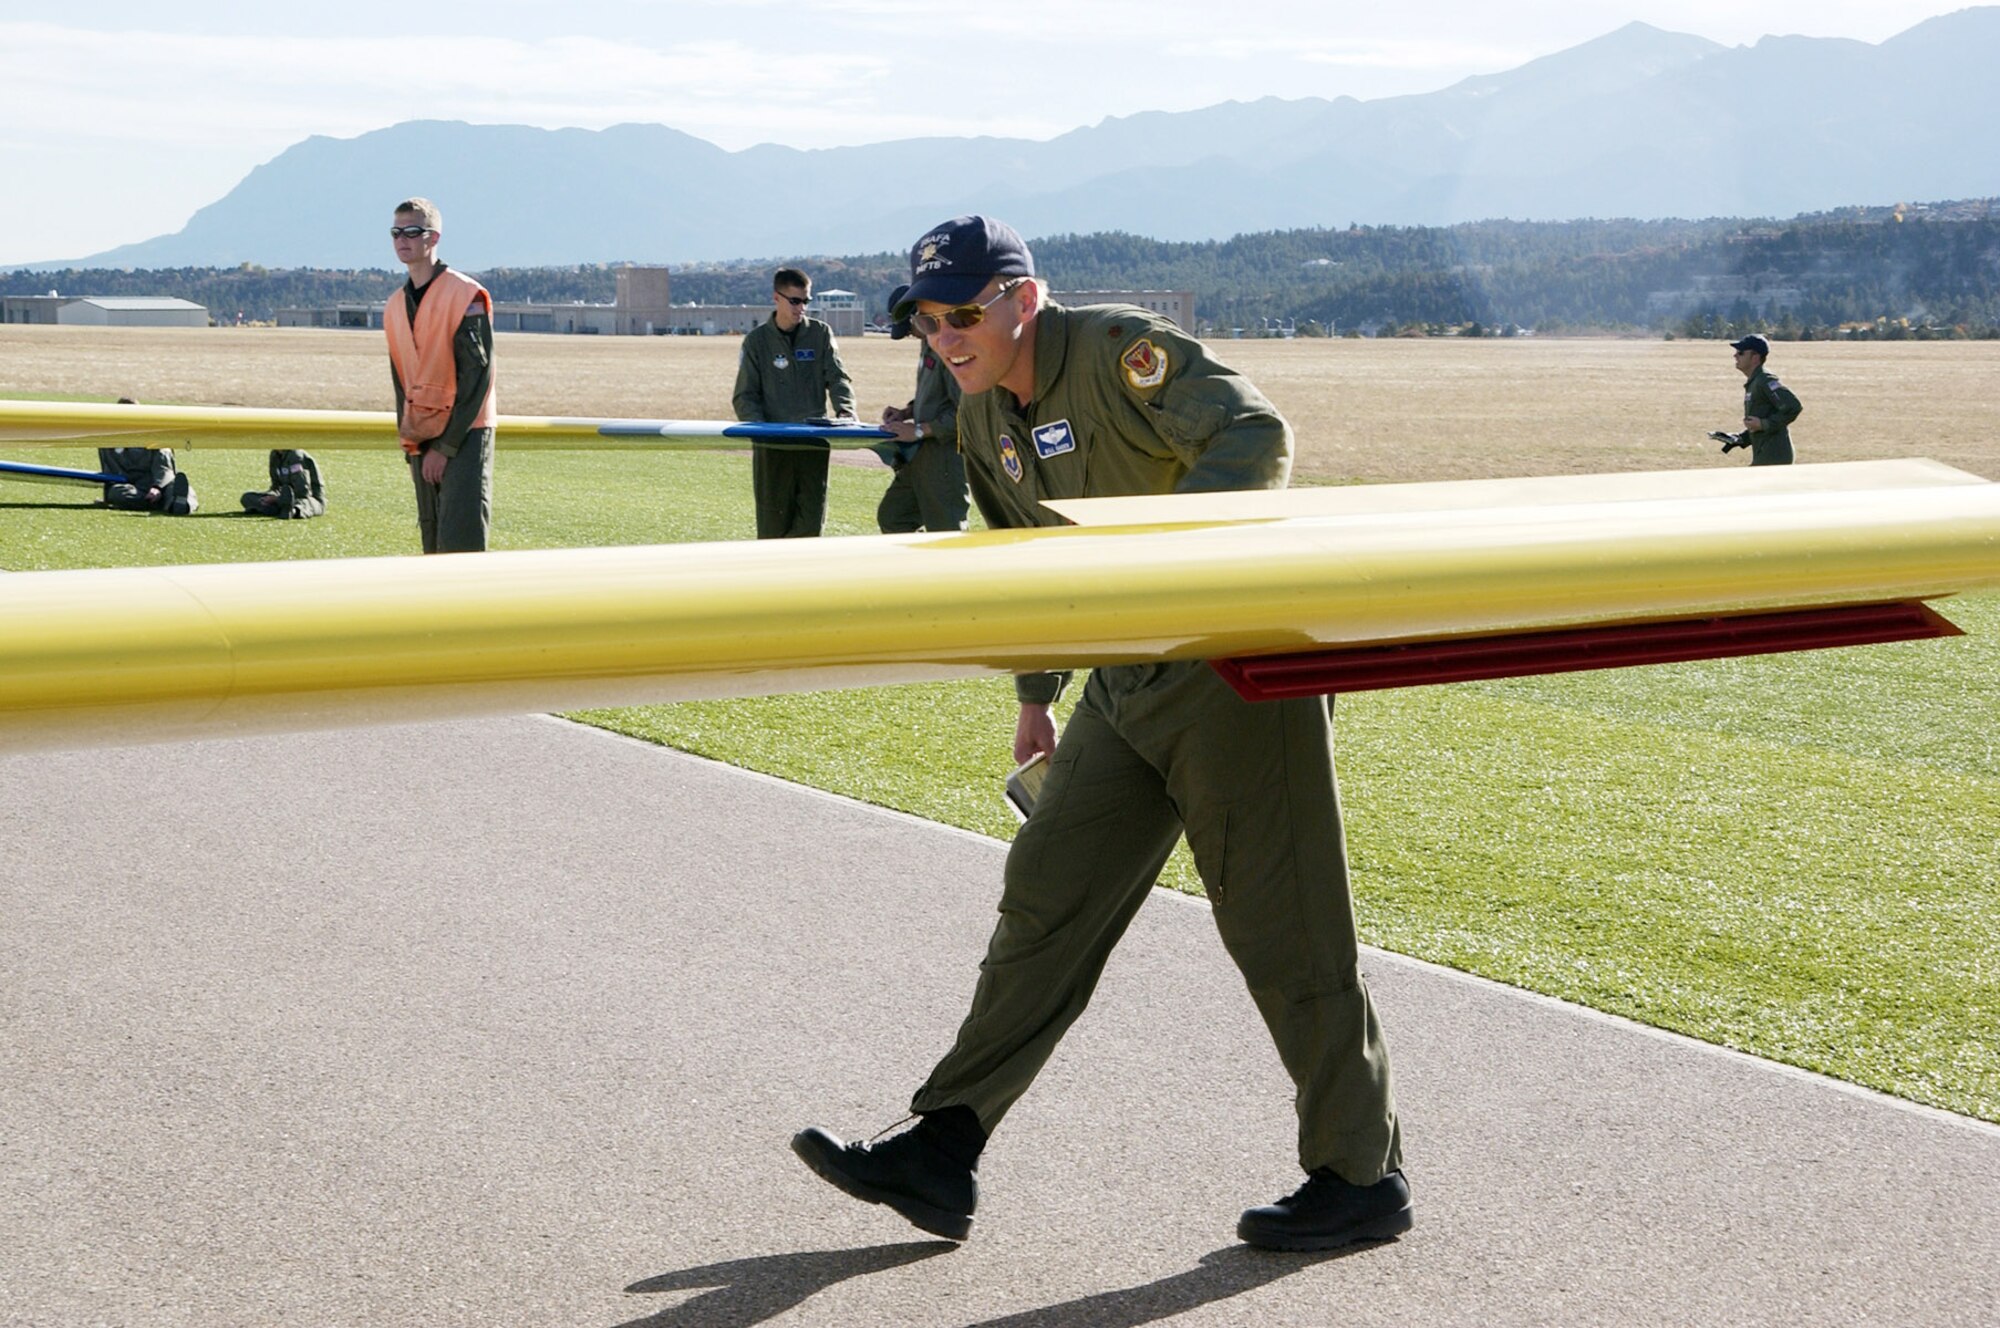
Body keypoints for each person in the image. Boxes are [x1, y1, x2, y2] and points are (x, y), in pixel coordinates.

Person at [791, 216, 1409, 1252]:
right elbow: (1024, 554)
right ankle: (943, 1143)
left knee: (1282, 928)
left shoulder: (1121, 352)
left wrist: (1151, 564)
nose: (943, 335)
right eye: (925, 319)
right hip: (1124, 686)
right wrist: (1037, 689)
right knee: (1045, 892)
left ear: (1020, 299)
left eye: (962, 311)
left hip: (1233, 670)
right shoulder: (985, 413)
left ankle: (1358, 1172)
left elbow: (1257, 438)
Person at [384, 197, 494, 553]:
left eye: (412, 232)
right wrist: (412, 442)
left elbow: (478, 376)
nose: (403, 240)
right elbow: (402, 381)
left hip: (465, 431)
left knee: (459, 538)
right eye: (396, 232)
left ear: (433, 238)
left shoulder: (464, 294)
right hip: (422, 434)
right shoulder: (395, 305)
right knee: (431, 538)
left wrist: (445, 448)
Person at [731, 267, 856, 538]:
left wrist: (845, 409)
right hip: (772, 449)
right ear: (777, 298)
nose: (802, 308)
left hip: (812, 445)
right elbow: (744, 396)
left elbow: (837, 377)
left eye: (806, 301)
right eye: (795, 301)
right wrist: (761, 432)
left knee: (811, 525)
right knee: (772, 527)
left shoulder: (820, 334)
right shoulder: (757, 342)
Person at [875, 283, 971, 534]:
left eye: (910, 328)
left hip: (945, 461)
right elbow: (935, 396)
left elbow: (967, 414)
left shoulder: (950, 347)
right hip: (919, 456)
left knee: (947, 534)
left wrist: (918, 431)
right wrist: (907, 412)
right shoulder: (928, 342)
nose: (911, 335)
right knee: (893, 517)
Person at [98, 399, 195, 515]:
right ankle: (163, 504)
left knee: (178, 489)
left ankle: (180, 505)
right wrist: (107, 496)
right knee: (117, 492)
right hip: (132, 487)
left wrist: (157, 487)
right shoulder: (108, 441)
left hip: (157, 483)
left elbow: (164, 467)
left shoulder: (155, 436)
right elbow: (108, 470)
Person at [1729, 334, 1801, 466]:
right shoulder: (1755, 381)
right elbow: (1763, 416)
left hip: (1774, 456)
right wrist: (1741, 439)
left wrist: (1763, 424)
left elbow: (1793, 406)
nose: (1735, 356)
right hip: (1765, 453)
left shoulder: (1765, 380)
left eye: (1741, 352)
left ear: (1755, 357)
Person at [239, 449, 325, 519]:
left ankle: (292, 511)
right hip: (283, 497)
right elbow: (276, 486)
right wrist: (269, 497)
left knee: (303, 504)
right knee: (247, 498)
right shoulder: (274, 455)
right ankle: (281, 508)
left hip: (309, 499)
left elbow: (302, 492)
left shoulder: (296, 456)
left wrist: (277, 499)